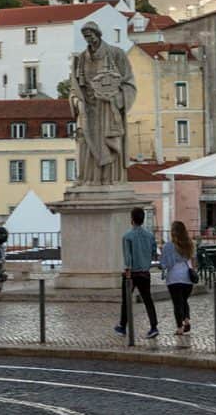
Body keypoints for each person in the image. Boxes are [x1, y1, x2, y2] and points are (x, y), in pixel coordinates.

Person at [70, 22, 136, 186]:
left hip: (108, 108)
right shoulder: (80, 59)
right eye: (85, 36)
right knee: (85, 142)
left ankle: (110, 179)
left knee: (110, 141)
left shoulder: (116, 54)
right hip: (88, 108)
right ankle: (88, 179)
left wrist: (115, 98)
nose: (88, 38)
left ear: (98, 34)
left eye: (90, 34)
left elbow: (129, 84)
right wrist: (76, 101)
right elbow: (74, 88)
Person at [115, 207, 158, 339]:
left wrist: (127, 272)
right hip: (145, 272)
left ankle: (122, 326)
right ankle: (154, 326)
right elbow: (153, 252)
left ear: (132, 219)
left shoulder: (127, 236)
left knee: (126, 300)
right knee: (148, 300)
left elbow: (127, 257)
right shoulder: (150, 236)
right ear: (143, 219)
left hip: (132, 273)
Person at [160, 221, 195, 335]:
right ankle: (187, 320)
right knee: (184, 300)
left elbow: (165, 264)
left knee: (177, 304)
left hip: (174, 278)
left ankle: (180, 328)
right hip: (188, 278)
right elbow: (193, 260)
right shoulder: (189, 244)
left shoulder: (168, 246)